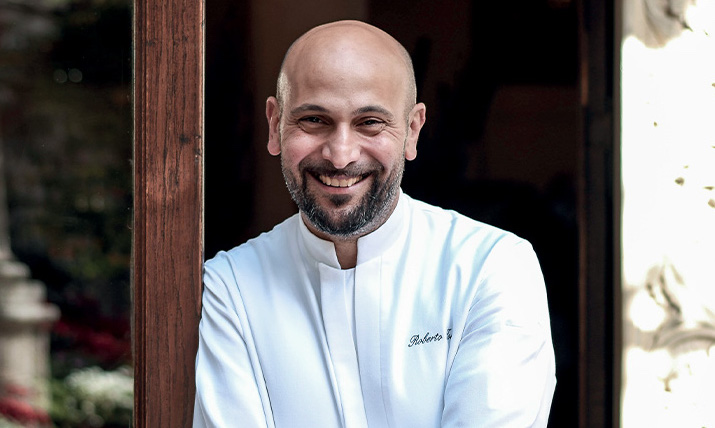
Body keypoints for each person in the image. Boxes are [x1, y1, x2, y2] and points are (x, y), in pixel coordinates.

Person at [193, 20, 556, 428]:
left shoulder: (491, 267)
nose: (340, 155)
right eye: (314, 120)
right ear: (275, 125)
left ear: (412, 131)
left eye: (369, 122)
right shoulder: (230, 286)